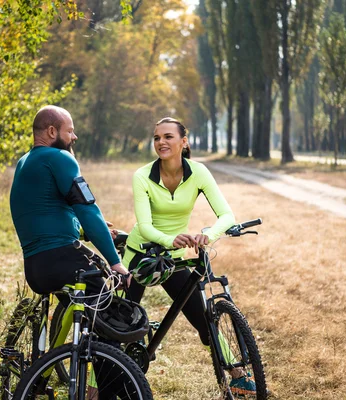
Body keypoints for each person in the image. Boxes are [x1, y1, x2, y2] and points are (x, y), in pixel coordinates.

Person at [123, 117, 256, 397]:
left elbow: (226, 215)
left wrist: (209, 234)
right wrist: (171, 239)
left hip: (172, 258)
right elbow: (145, 226)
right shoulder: (142, 176)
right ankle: (95, 388)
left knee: (203, 318)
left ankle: (237, 374)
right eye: (157, 137)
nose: (161, 142)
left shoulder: (198, 172)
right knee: (120, 323)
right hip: (140, 254)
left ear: (184, 142)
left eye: (168, 137)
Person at [9, 105, 132, 301]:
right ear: (52, 131)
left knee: (81, 314)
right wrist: (115, 263)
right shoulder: (59, 157)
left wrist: (86, 231)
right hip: (63, 262)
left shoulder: (24, 162)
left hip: (35, 268)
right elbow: (87, 208)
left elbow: (45, 213)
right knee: (112, 316)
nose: (74, 137)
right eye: (70, 131)